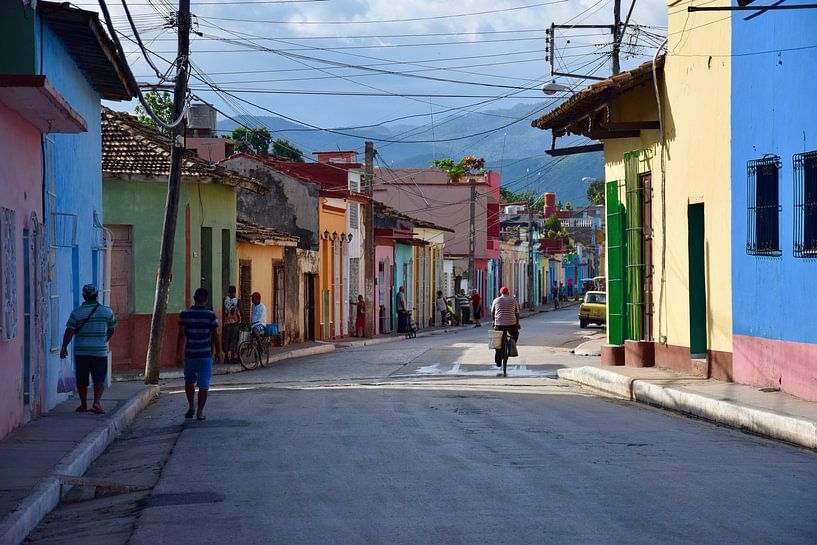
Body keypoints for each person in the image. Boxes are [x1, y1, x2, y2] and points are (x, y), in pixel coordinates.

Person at [60, 284, 116, 414]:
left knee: (82, 379)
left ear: (83, 296)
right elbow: (112, 329)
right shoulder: (108, 311)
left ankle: (84, 404)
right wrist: (103, 340)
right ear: (97, 295)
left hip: (82, 352)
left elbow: (69, 331)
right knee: (99, 378)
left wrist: (64, 347)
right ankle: (96, 403)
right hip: (100, 352)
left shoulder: (77, 312)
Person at [177, 288, 220, 421]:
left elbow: (181, 336)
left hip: (190, 354)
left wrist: (178, 353)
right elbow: (215, 335)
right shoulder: (210, 315)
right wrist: (218, 351)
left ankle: (191, 406)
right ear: (206, 299)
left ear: (194, 298)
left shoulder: (185, 314)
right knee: (203, 384)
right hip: (205, 355)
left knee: (189, 381)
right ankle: (199, 412)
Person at [491, 286, 520, 368]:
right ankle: (511, 347)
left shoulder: (496, 300)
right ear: (508, 293)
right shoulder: (513, 301)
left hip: (499, 324)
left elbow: (492, 312)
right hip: (511, 324)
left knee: (497, 342)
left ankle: (498, 361)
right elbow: (517, 313)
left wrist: (494, 322)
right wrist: (517, 323)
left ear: (501, 293)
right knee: (515, 334)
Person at [222, 285, 240, 364]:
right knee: (234, 340)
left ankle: (226, 357)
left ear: (229, 291)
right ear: (235, 291)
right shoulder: (237, 300)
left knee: (227, 340)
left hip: (226, 323)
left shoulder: (225, 299)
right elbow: (241, 311)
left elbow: (223, 311)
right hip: (235, 323)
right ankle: (232, 357)